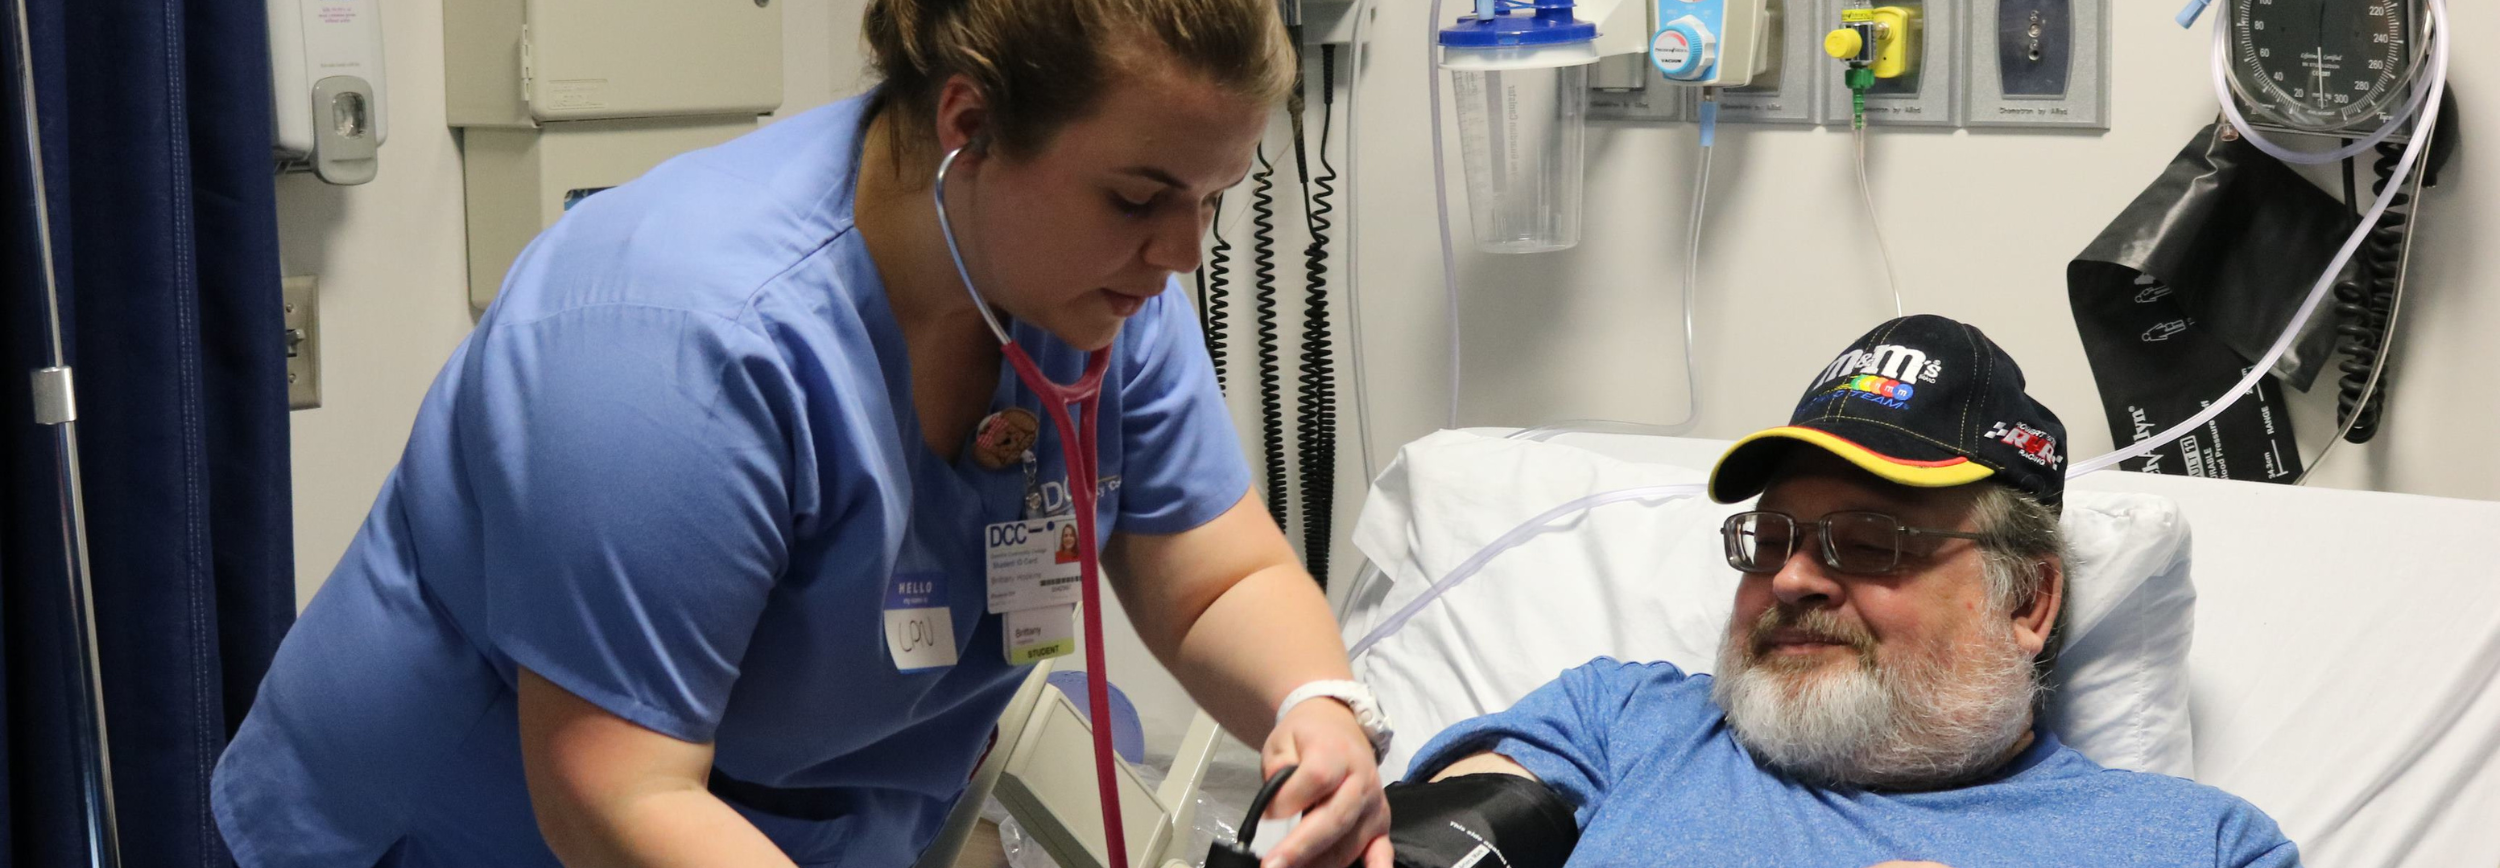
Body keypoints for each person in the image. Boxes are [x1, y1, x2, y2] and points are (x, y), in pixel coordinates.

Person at [210, 2, 1394, 867]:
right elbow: (615, 796)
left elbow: (1212, 576)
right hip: (479, 836)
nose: (1183, 252)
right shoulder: (677, 345)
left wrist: (1313, 705)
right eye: (1141, 198)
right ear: (968, 127)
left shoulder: (1096, 297)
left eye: (1212, 199)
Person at [1406, 316, 2300, 867]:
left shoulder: (2196, 847)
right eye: (1771, 539)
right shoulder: (1621, 723)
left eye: (1869, 545)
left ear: (2026, 601)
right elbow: (1424, 849)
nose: (1791, 578)